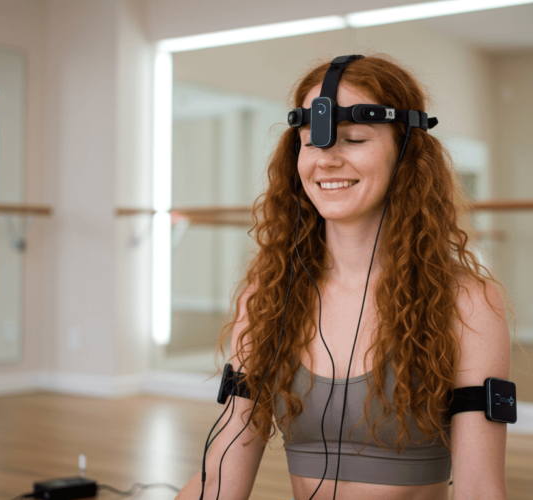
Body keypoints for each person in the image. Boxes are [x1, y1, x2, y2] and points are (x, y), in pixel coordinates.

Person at [175, 54, 511, 500]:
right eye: (313, 142)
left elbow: (479, 490)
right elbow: (219, 478)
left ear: (406, 153)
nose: (327, 160)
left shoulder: (468, 303)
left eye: (352, 139)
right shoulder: (270, 296)